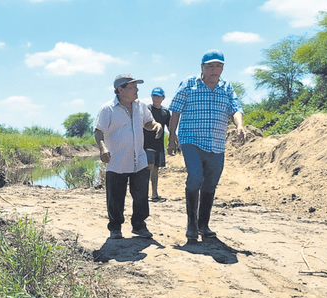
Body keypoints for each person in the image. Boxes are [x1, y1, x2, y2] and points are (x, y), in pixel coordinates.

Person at [167, 50, 246, 241]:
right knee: (195, 177)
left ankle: (203, 224)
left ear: (223, 68)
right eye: (210, 66)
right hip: (191, 140)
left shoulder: (226, 87)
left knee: (210, 183)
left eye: (218, 66)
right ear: (202, 68)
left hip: (217, 143)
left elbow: (235, 108)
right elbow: (175, 110)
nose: (214, 70)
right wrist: (172, 136)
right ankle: (191, 224)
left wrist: (240, 125)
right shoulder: (189, 84)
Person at [94, 74, 163, 239]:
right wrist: (102, 148)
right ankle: (115, 228)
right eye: (132, 87)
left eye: (136, 87)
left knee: (141, 196)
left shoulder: (141, 106)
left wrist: (155, 125)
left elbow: (147, 122)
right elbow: (98, 130)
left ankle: (139, 226)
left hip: (139, 159)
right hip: (117, 161)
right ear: (120, 90)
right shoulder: (108, 109)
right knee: (115, 198)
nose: (136, 90)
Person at [145, 87, 171, 202]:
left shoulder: (165, 112)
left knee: (155, 170)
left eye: (159, 96)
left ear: (163, 98)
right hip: (146, 145)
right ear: (151, 97)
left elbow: (170, 128)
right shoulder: (146, 109)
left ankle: (154, 194)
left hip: (159, 145)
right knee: (147, 168)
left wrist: (174, 140)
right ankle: (143, 193)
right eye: (154, 96)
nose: (156, 98)